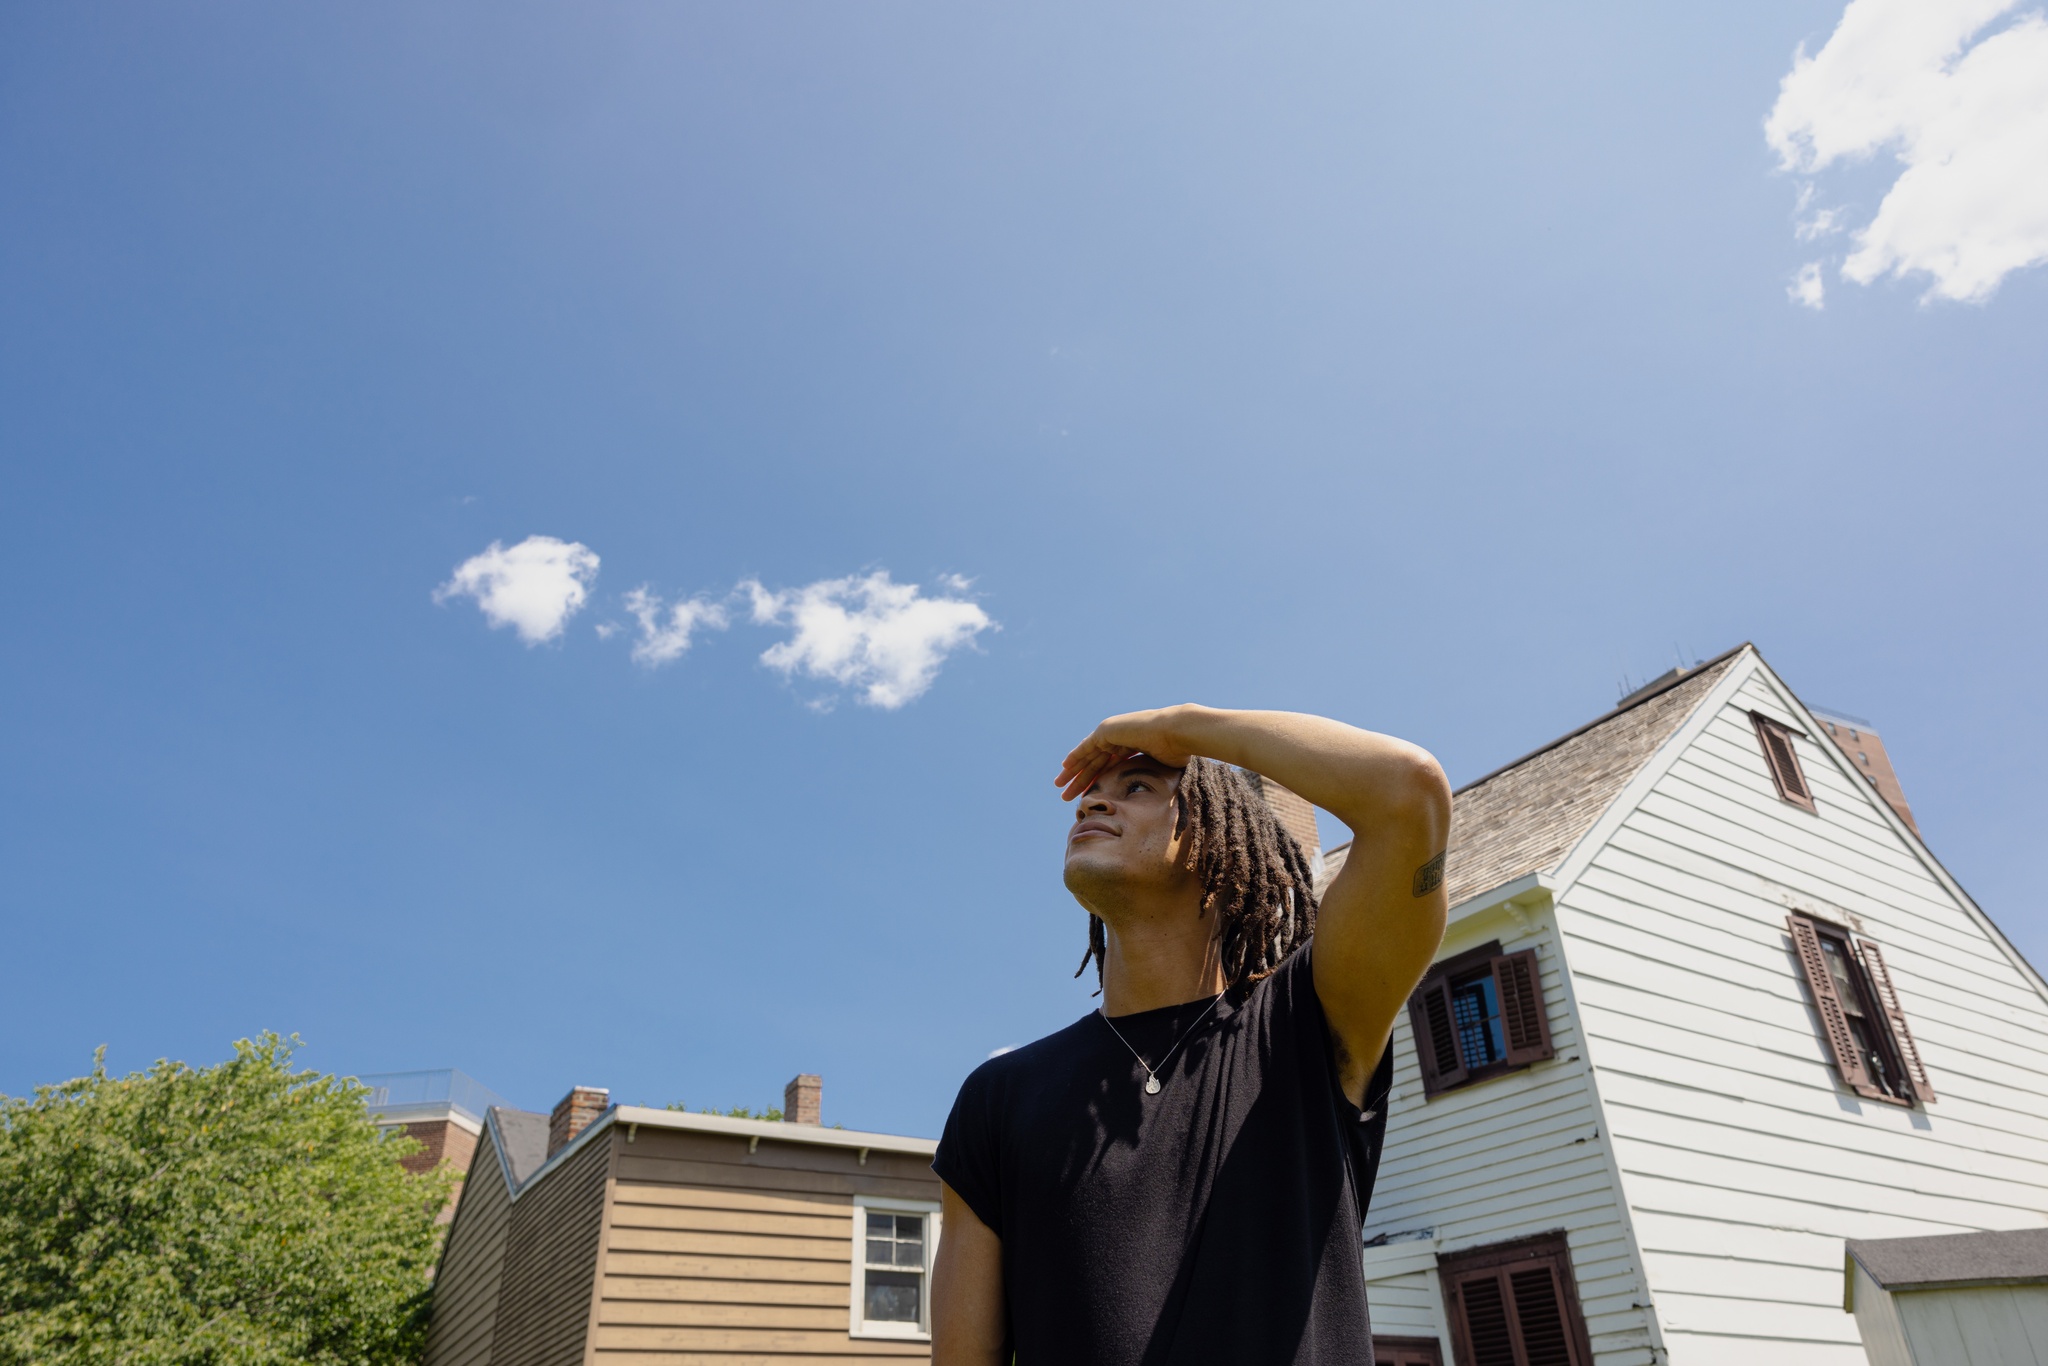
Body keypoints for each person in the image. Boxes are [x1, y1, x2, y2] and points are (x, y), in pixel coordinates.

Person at [930, 705, 1452, 1366]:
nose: (1091, 804)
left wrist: (1175, 728)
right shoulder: (997, 1097)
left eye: (1138, 787)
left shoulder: (1308, 1023)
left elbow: (1408, 791)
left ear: (1212, 839)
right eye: (1090, 795)